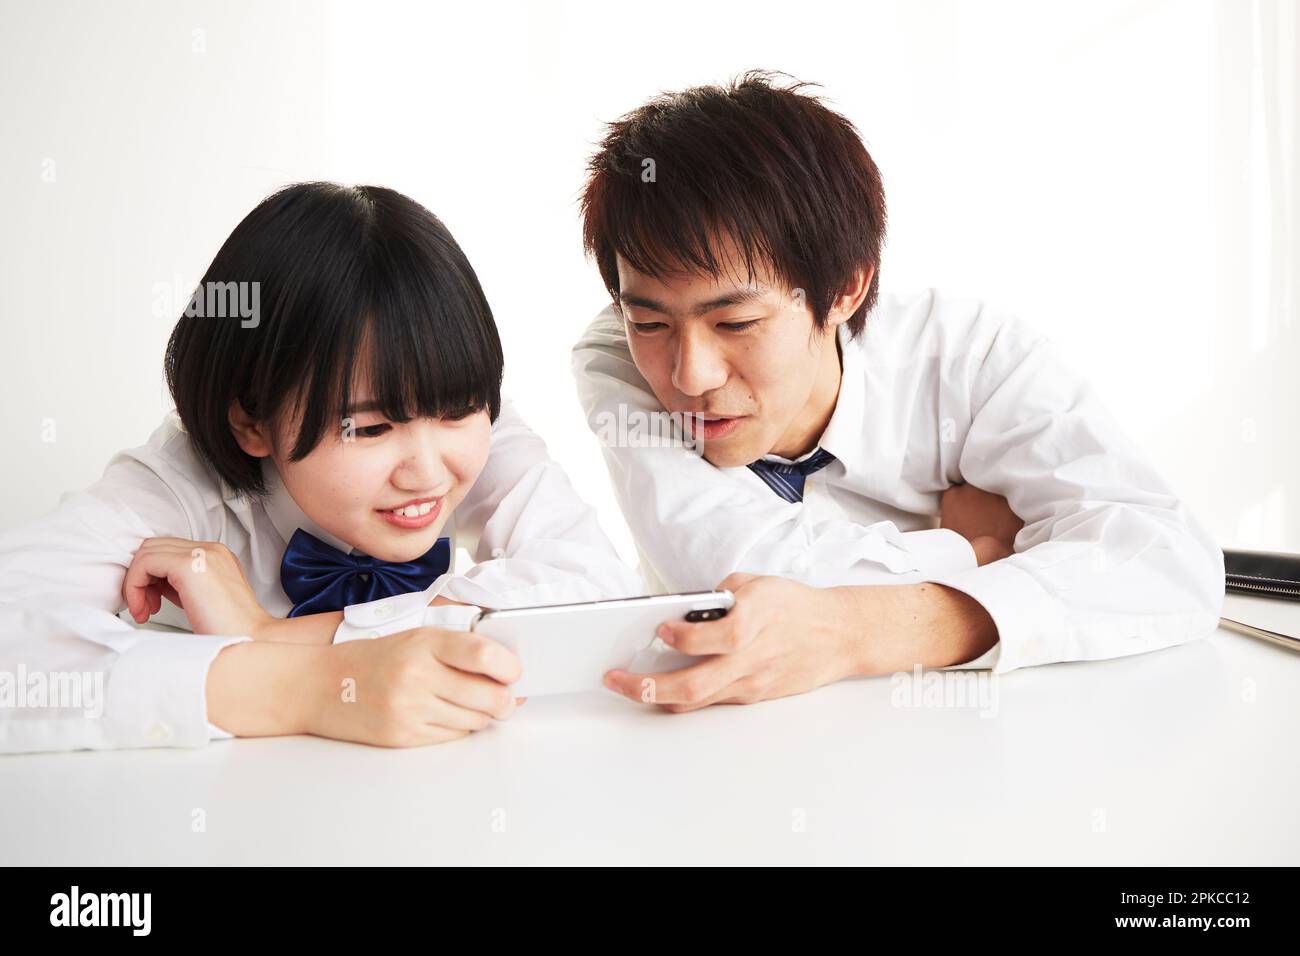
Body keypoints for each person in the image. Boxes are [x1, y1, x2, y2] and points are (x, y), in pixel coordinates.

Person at [572, 71, 1225, 712]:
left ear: (846, 290)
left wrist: (850, 632)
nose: (691, 376)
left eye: (735, 323)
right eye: (650, 322)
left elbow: (1168, 562)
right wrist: (974, 551)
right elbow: (732, 578)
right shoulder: (615, 356)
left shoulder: (968, 356)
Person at [0, 181, 641, 753]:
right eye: (369, 429)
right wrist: (313, 689)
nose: (425, 471)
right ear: (250, 420)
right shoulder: (178, 485)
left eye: (458, 410)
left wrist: (268, 636)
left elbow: (598, 592)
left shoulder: (470, 418)